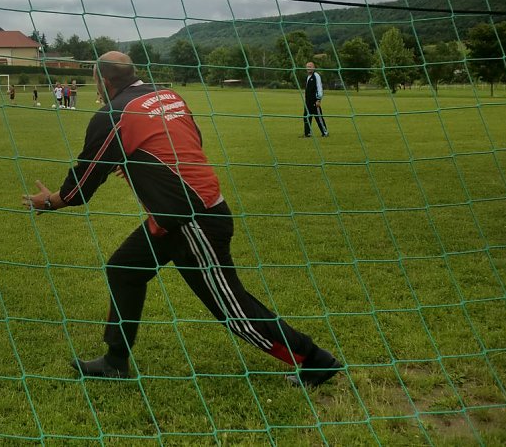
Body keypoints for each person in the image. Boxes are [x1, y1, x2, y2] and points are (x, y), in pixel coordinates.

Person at [21, 52, 343, 387]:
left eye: (94, 79)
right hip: (173, 218)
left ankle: (315, 360)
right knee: (124, 269)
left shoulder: (114, 115)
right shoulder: (169, 95)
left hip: (194, 220)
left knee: (233, 310)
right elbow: (194, 140)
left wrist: (50, 201)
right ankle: (115, 361)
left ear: (103, 80)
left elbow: (80, 190)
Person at [302, 61, 328, 138]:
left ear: (314, 67)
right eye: (307, 66)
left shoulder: (316, 76)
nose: (308, 68)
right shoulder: (308, 77)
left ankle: (325, 132)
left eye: (310, 66)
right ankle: (307, 133)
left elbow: (319, 88)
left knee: (318, 117)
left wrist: (318, 99)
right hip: (308, 102)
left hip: (314, 101)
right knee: (306, 116)